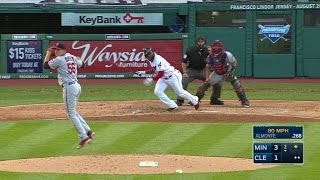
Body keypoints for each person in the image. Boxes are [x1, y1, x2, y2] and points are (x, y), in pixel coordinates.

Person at [43, 42, 95, 149]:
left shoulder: (59, 59)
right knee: (74, 112)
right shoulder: (71, 57)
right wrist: (78, 59)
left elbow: (45, 66)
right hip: (77, 86)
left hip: (69, 87)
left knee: (71, 114)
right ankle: (88, 131)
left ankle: (83, 137)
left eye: (58, 49)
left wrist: (48, 53)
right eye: (55, 49)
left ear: (64, 50)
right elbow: (84, 64)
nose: (56, 51)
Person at [135, 47, 200, 112]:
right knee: (158, 91)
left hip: (173, 76)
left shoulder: (158, 59)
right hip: (164, 78)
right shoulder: (150, 60)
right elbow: (154, 69)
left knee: (180, 92)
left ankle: (195, 100)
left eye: (149, 53)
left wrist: (151, 79)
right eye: (147, 55)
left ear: (152, 52)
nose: (148, 55)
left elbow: (160, 73)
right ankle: (172, 105)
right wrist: (143, 72)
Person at [195, 40, 250, 108]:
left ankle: (244, 101)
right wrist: (207, 78)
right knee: (205, 84)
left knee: (237, 84)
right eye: (214, 48)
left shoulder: (228, 55)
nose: (216, 50)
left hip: (228, 72)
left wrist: (231, 71)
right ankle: (195, 100)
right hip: (217, 73)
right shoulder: (210, 57)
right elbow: (208, 67)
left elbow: (234, 62)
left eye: (218, 48)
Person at [176, 36, 224, 106]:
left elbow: (215, 60)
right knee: (184, 80)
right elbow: (184, 62)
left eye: (202, 41)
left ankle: (214, 99)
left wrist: (211, 53)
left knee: (217, 82)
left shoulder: (208, 50)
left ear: (204, 42)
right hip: (192, 70)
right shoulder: (190, 49)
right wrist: (185, 72)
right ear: (196, 42)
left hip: (203, 70)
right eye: (199, 41)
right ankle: (180, 100)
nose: (200, 43)